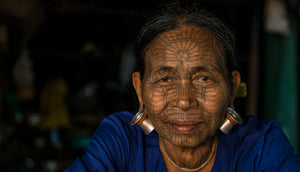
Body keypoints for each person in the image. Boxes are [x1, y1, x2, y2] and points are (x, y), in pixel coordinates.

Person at [65, 3, 300, 172]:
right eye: (165, 80)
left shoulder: (261, 145)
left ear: (232, 86)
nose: (185, 101)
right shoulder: (122, 140)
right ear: (140, 88)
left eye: (203, 79)